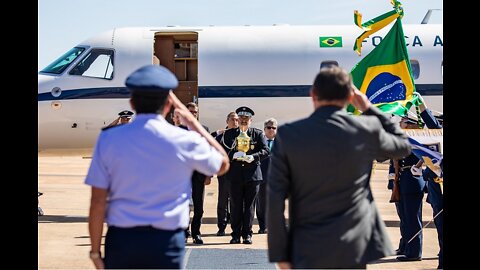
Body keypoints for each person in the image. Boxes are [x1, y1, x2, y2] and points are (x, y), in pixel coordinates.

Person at [85, 64, 229, 269]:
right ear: (168, 105)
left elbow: (98, 201)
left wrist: (95, 251)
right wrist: (193, 124)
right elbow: (222, 164)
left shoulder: (109, 139)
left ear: (132, 103)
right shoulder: (184, 139)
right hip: (166, 242)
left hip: (123, 241)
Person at [267, 66, 411, 269]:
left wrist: (280, 254)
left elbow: (274, 199)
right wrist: (368, 108)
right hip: (353, 245)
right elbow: (403, 145)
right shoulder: (366, 129)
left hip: (307, 244)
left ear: (313, 95)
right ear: (350, 96)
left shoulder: (288, 134)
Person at [220, 106, 270, 244]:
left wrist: (253, 157)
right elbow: (222, 150)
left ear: (250, 120)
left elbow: (266, 151)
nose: (243, 120)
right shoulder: (229, 134)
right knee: (235, 205)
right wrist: (232, 155)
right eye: (241, 118)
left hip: (252, 175)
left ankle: (247, 234)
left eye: (246, 118)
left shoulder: (257, 134)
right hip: (235, 175)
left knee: (249, 206)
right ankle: (235, 234)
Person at [184, 102, 212, 245]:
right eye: (190, 111)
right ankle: (184, 232)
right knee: (183, 206)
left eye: (195, 112)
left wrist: (209, 174)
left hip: (199, 175)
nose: (193, 114)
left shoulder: (204, 129)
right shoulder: (178, 130)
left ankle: (196, 233)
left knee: (199, 207)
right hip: (182, 175)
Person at [214, 111, 239, 236]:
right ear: (227, 121)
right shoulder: (221, 137)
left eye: (236, 119)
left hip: (238, 173)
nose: (235, 122)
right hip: (224, 173)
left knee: (236, 202)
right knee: (222, 200)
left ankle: (235, 227)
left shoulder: (242, 135)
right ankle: (221, 226)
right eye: (232, 119)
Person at [256, 117, 277, 234]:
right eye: (269, 127)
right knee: (262, 203)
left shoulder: (281, 142)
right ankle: (263, 226)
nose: (271, 130)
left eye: (274, 128)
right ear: (264, 129)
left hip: (276, 178)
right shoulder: (259, 142)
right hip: (262, 177)